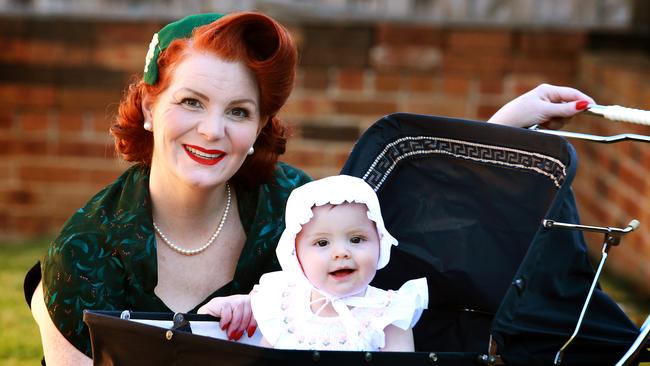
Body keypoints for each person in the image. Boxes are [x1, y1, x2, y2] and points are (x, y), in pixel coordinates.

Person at [25, 10, 596, 365]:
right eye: (190, 102)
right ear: (150, 107)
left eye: (239, 111)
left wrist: (502, 130)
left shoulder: (292, 206)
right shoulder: (86, 250)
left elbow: (395, 233)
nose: (212, 130)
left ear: (258, 128)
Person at [210, 175, 427, 351]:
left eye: (356, 239)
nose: (341, 253)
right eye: (322, 242)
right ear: (296, 254)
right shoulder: (282, 307)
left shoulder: (389, 314)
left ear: (380, 242)